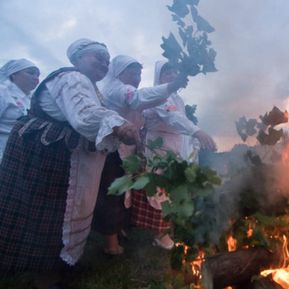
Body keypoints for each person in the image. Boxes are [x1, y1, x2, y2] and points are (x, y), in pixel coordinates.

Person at [0, 39, 137, 289]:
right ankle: (46, 276)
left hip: (61, 157)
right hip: (48, 159)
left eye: (107, 60)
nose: (104, 63)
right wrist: (118, 124)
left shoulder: (91, 87)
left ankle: (61, 264)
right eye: (98, 57)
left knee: (66, 210)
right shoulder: (71, 78)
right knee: (49, 214)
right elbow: (84, 115)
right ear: (77, 59)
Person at [93, 55, 188, 255]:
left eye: (139, 72)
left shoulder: (171, 97)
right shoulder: (120, 89)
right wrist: (196, 131)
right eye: (132, 72)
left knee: (126, 190)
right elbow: (146, 103)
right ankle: (111, 244)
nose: (137, 77)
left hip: (130, 149)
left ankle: (120, 230)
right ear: (119, 72)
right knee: (115, 192)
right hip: (114, 149)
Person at [131, 61, 216, 249]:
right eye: (167, 72)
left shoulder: (177, 99)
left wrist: (192, 145)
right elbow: (173, 118)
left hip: (174, 148)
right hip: (159, 147)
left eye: (174, 71)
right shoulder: (159, 96)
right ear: (159, 76)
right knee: (159, 188)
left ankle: (166, 231)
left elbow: (181, 121)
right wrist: (197, 132)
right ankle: (159, 235)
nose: (171, 74)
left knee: (170, 189)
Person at [0, 58, 40, 160]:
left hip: (19, 155)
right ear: (13, 74)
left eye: (37, 75)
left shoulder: (31, 100)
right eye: (31, 73)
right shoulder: (3, 92)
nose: (36, 78)